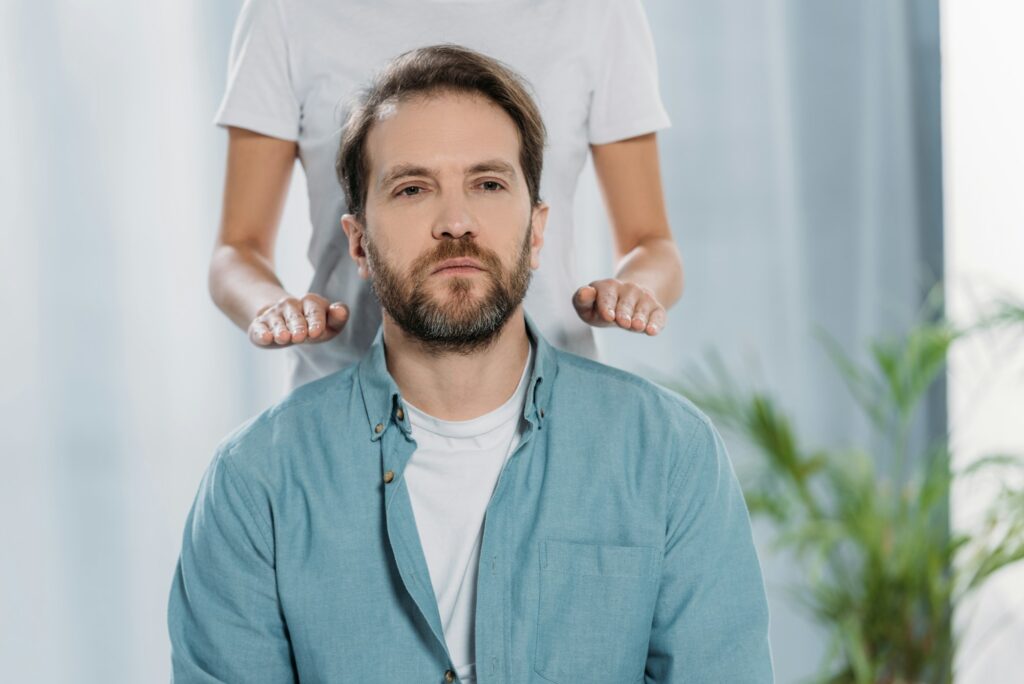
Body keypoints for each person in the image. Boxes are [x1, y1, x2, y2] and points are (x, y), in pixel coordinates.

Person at [170, 45, 772, 683]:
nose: (455, 221)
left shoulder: (669, 457)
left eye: (488, 184)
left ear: (538, 232)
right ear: (358, 244)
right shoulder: (254, 484)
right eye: (411, 188)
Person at [210, 0, 684, 392]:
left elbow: (651, 241)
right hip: (346, 399)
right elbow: (237, 249)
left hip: (552, 399)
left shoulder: (595, 11)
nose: (456, 222)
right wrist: (273, 309)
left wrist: (632, 294)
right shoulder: (288, 11)